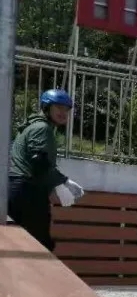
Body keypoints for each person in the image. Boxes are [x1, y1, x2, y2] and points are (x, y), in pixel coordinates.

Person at [7, 89, 84, 251]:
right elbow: (39, 163)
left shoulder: (34, 125)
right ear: (46, 108)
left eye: (66, 109)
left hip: (20, 188)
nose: (63, 113)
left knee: (23, 243)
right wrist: (62, 181)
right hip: (27, 191)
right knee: (38, 244)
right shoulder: (42, 128)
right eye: (59, 107)